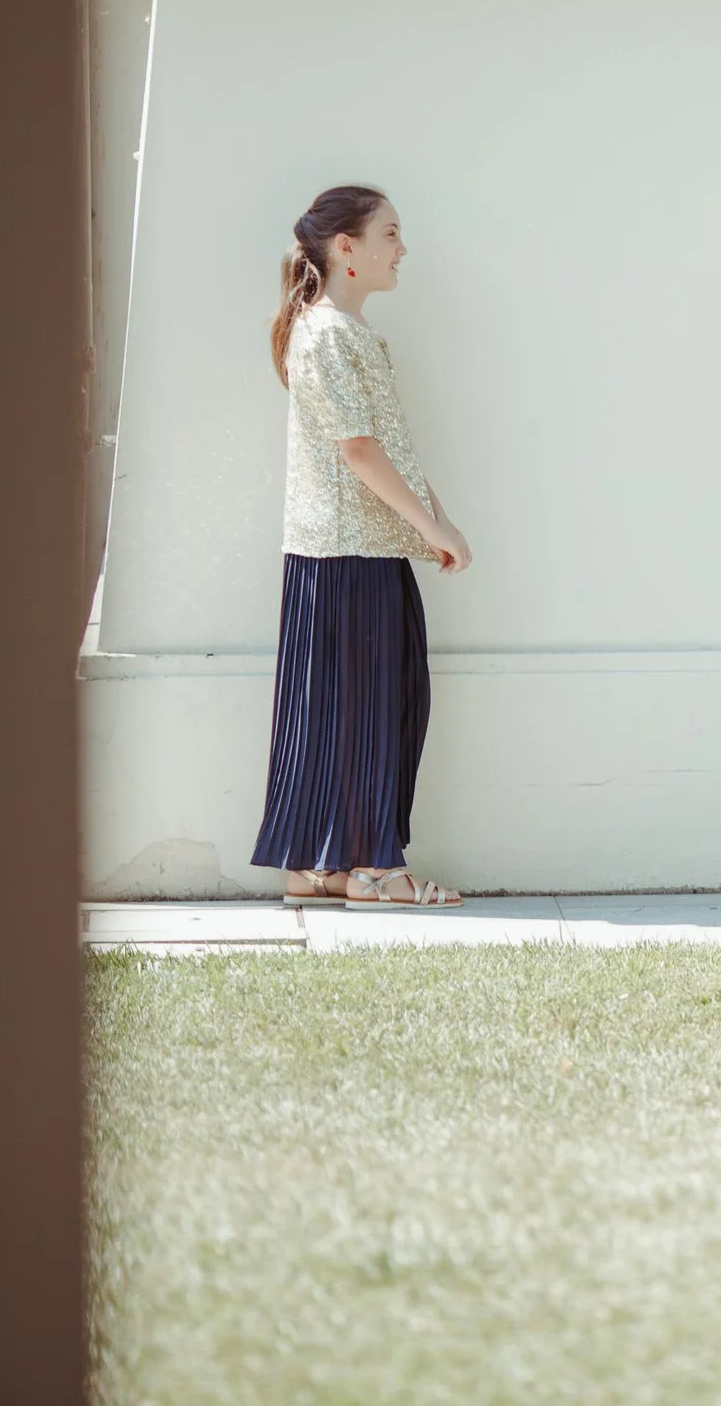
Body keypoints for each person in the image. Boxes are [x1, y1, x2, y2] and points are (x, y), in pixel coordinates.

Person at [250, 185, 473, 910]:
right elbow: (359, 450)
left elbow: (386, 448)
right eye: (391, 234)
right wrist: (434, 528)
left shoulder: (342, 332)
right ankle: (375, 867)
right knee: (374, 711)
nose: (402, 249)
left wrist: (436, 520)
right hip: (347, 555)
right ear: (346, 247)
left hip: (354, 551)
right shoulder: (326, 334)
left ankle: (320, 867)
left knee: (349, 711)